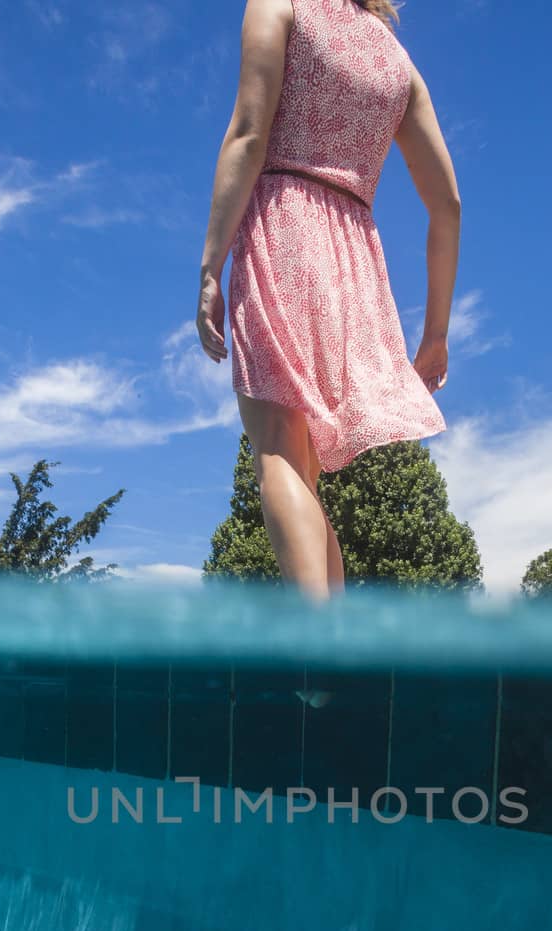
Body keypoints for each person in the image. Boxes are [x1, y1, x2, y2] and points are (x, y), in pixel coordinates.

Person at [197, 0, 461, 600]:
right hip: (355, 256)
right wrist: (436, 335)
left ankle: (314, 650)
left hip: (283, 225)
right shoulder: (398, 60)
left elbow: (248, 136)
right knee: (306, 477)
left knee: (278, 452)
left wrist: (211, 267)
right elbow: (448, 206)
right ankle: (330, 664)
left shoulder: (278, 5)